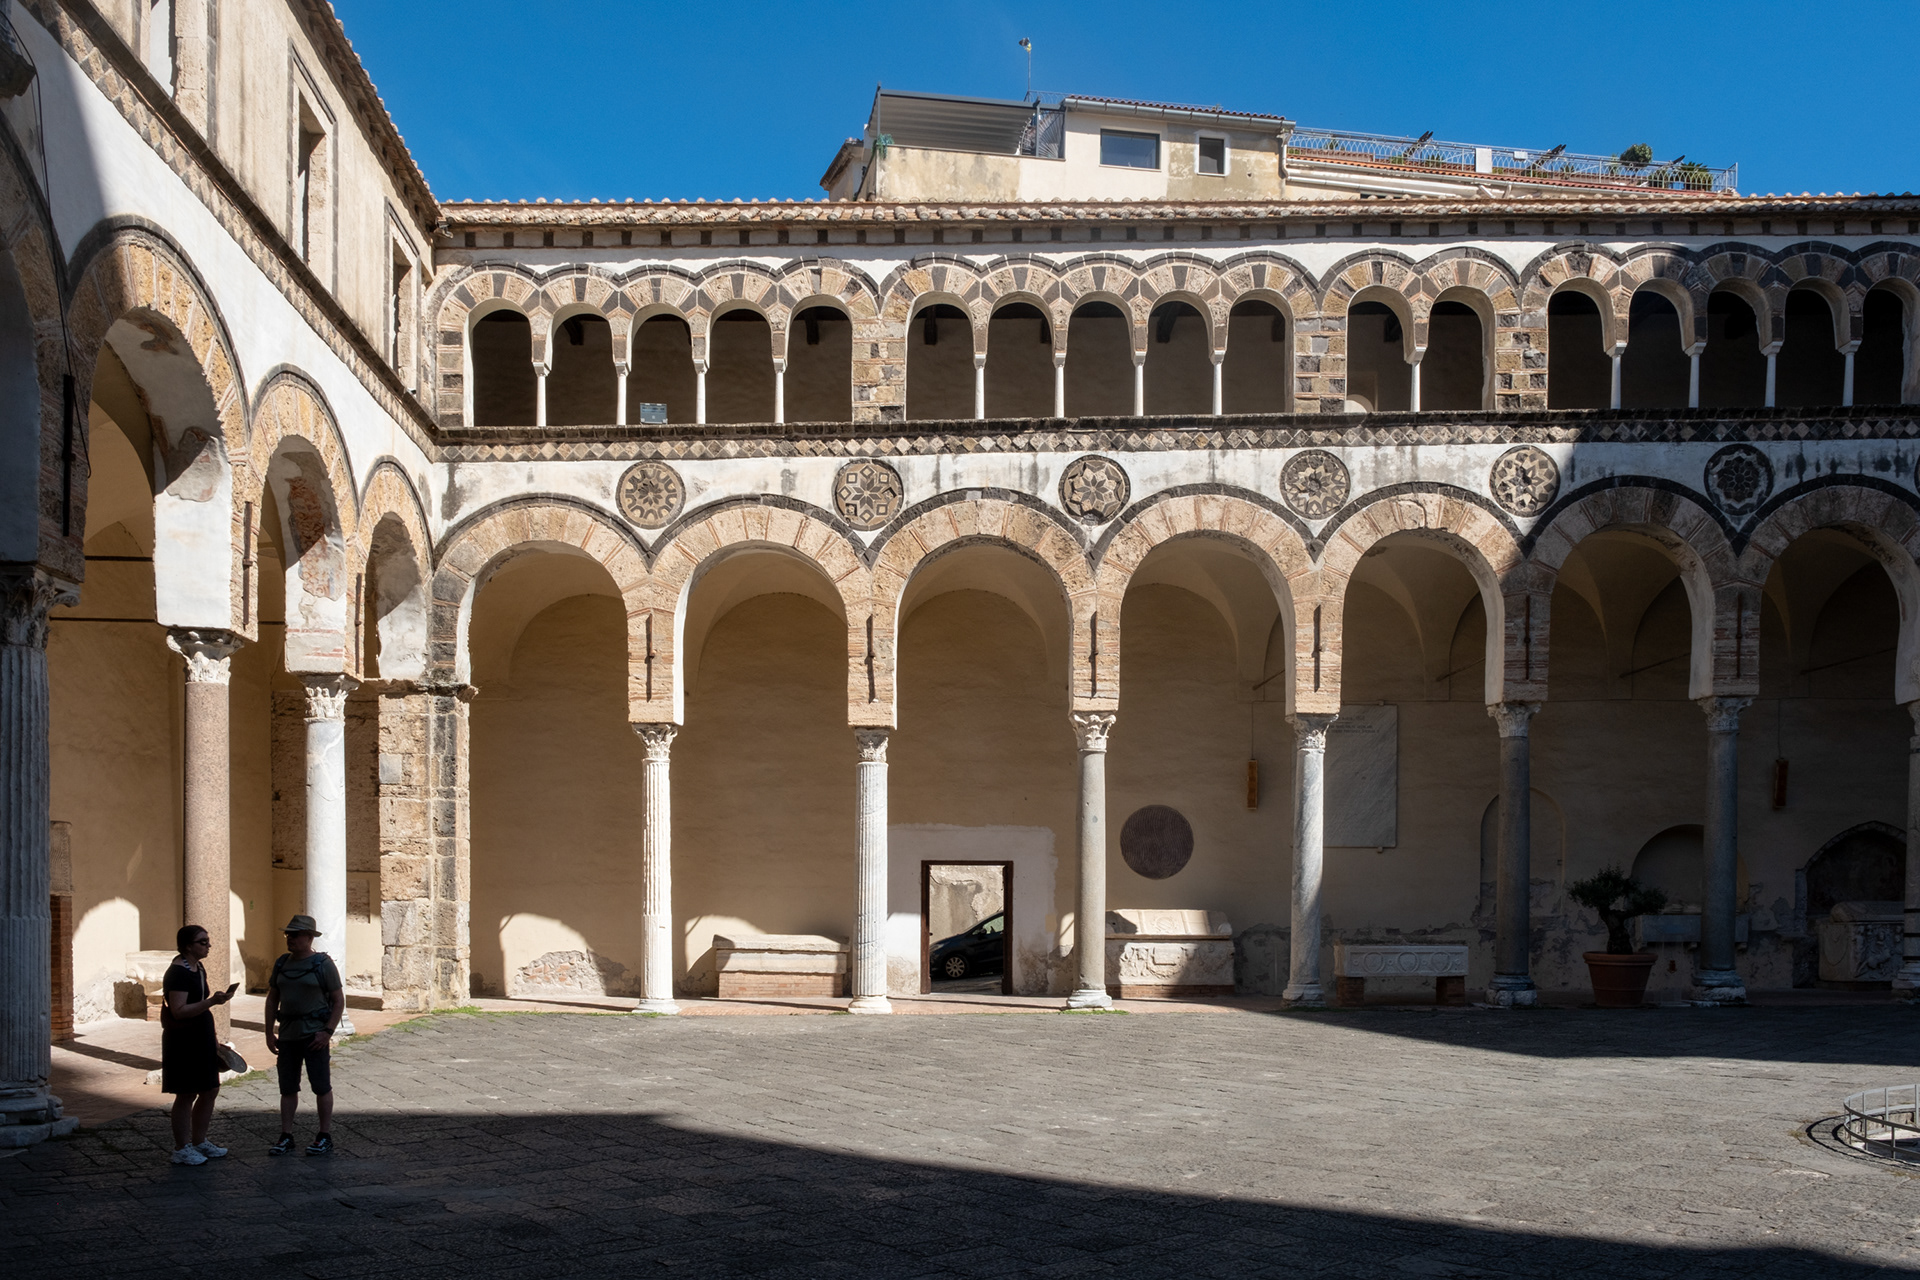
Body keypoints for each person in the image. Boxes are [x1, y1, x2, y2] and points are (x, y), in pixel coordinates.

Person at [263, 915, 345, 1156]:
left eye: (296, 935)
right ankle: (286, 1135)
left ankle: (324, 1134)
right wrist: (268, 1032)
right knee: (287, 1088)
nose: (291, 939)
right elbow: (272, 999)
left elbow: (339, 1000)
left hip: (314, 1036)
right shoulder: (281, 964)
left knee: (321, 1086)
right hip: (288, 1035)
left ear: (309, 938)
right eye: (288, 934)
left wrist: (328, 1032)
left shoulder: (323, 964)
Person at [162, 924, 235, 1165]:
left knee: (210, 1089)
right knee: (186, 1093)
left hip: (201, 1036)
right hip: (183, 1040)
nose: (208, 945)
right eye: (202, 942)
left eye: (207, 941)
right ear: (187, 946)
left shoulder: (197, 967)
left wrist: (214, 1039)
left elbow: (199, 1001)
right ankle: (181, 1148)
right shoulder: (178, 973)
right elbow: (179, 1011)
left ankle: (199, 1140)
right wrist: (212, 1001)